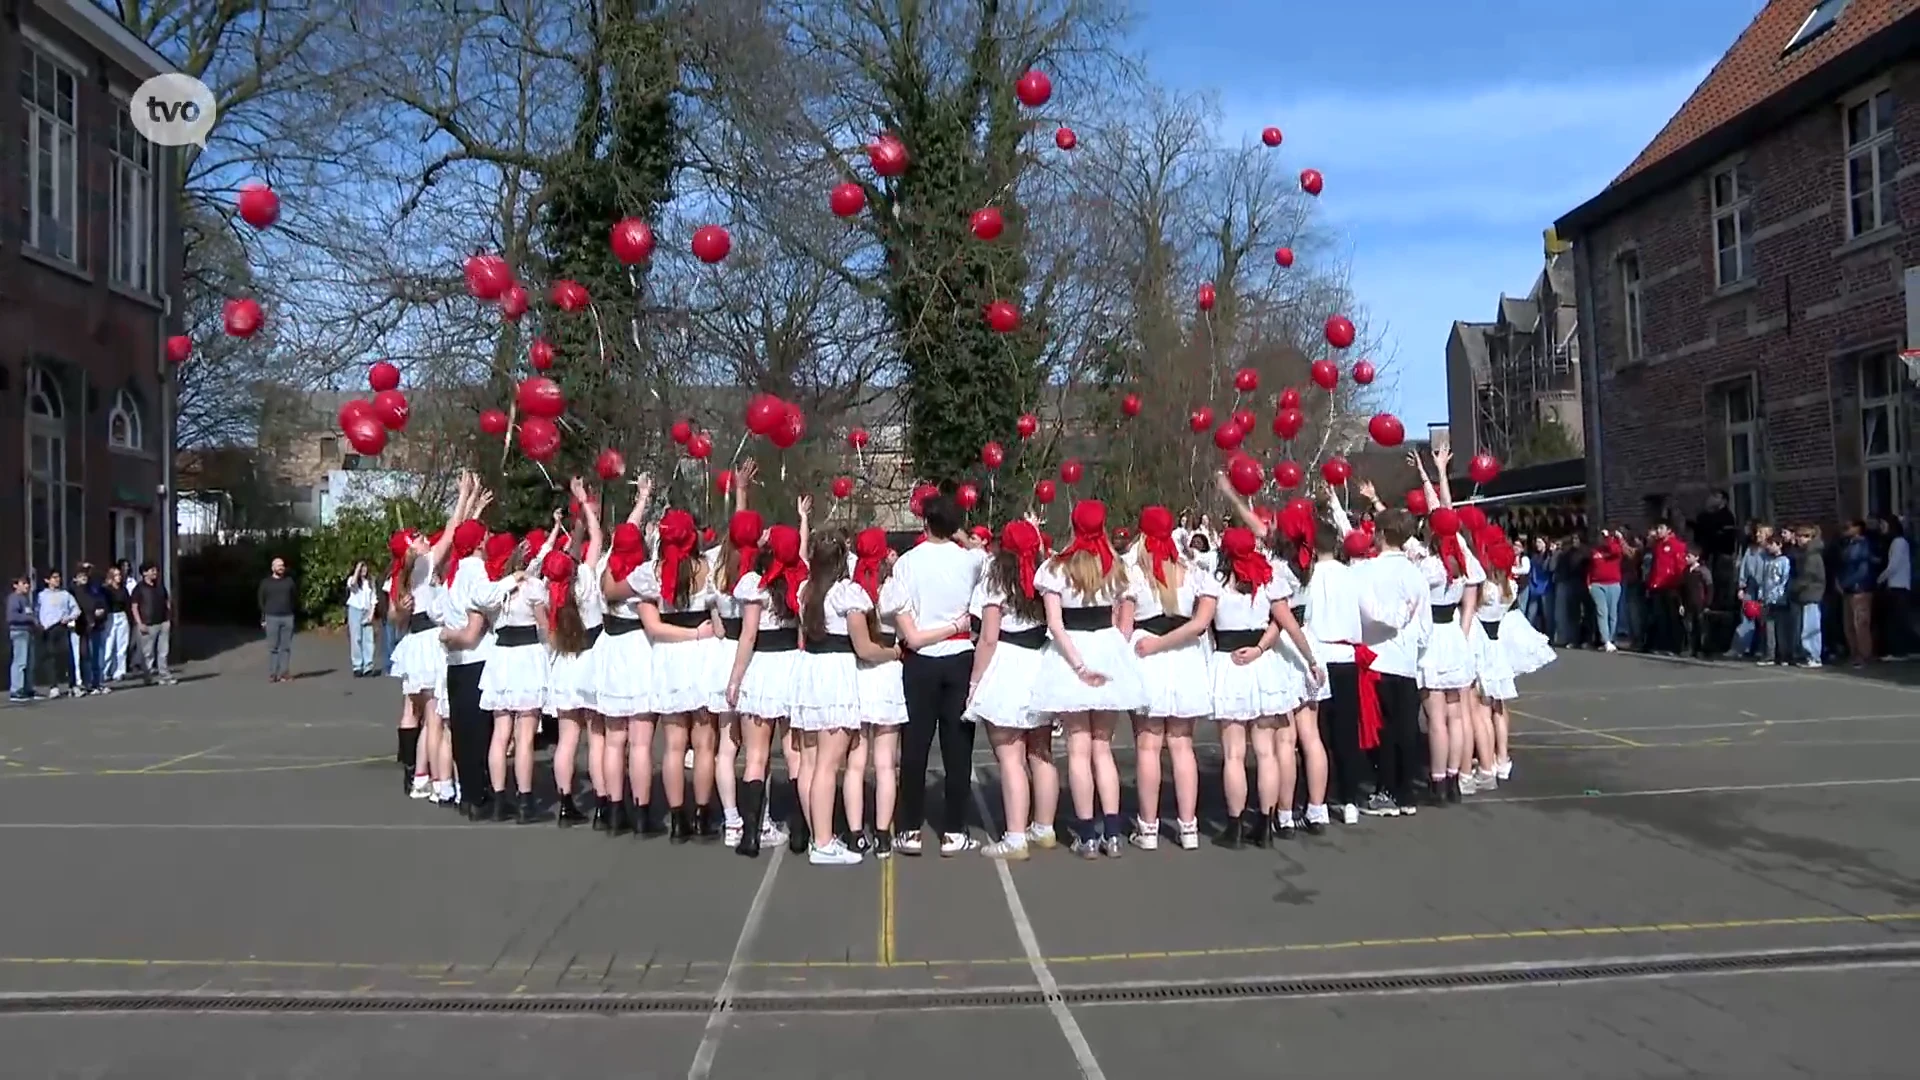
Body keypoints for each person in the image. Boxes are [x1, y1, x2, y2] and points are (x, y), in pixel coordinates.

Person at [882, 491, 989, 857]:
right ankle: (954, 830)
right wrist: (958, 533)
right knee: (957, 747)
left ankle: (910, 827)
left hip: (920, 657)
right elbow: (980, 549)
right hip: (958, 655)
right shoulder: (971, 560)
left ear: (924, 522)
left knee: (915, 745)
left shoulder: (907, 563)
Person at [966, 518, 1056, 859]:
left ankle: (1016, 836)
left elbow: (988, 637)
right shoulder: (1045, 573)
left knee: (1010, 757)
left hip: (1008, 664)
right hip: (1041, 663)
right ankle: (1044, 827)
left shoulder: (996, 580)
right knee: (1040, 750)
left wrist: (975, 682)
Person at [35, 569, 80, 697]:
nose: (57, 580)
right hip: (48, 629)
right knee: (50, 658)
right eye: (54, 577)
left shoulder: (65, 594)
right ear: (47, 580)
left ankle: (73, 685)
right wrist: (39, 624)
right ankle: (53, 686)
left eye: (58, 577)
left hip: (61, 627)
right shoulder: (41, 596)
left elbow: (76, 610)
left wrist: (69, 618)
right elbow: (36, 610)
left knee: (67, 657)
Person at [129, 563, 174, 685]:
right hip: (147, 624)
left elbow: (167, 601)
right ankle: (148, 676)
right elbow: (134, 607)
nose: (155, 572)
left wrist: (168, 618)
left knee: (163, 651)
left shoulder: (160, 586)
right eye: (152, 570)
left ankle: (164, 674)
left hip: (163, 622)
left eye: (156, 570)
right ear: (144, 573)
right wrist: (139, 623)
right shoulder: (139, 589)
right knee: (147, 653)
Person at [259, 557, 298, 682]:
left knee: (285, 647)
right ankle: (273, 673)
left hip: (287, 617)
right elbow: (261, 600)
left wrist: (291, 611)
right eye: (278, 565)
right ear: (273, 568)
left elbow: (294, 598)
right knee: (273, 647)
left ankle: (284, 673)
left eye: (282, 565)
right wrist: (264, 617)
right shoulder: (266, 583)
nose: (281, 567)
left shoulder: (289, 581)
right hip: (271, 617)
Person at [345, 560, 378, 676]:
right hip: (355, 610)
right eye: (361, 568)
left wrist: (371, 614)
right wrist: (357, 569)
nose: (364, 570)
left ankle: (368, 665)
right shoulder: (352, 580)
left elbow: (374, 598)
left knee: (368, 639)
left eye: (365, 568)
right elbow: (353, 584)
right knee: (356, 638)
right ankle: (357, 665)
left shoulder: (370, 582)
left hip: (366, 610)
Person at [101, 565, 130, 685]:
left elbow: (127, 601)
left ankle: (119, 671)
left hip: (122, 615)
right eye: (116, 575)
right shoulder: (106, 590)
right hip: (110, 616)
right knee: (109, 645)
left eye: (119, 575)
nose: (119, 577)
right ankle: (104, 672)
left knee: (122, 646)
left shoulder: (123, 589)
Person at [7, 575, 35, 702]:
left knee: (29, 662)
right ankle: (16, 689)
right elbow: (11, 616)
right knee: (20, 661)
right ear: (15, 585)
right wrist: (29, 618)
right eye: (23, 583)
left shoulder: (25, 599)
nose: (27, 586)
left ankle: (27, 688)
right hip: (18, 632)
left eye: (28, 583)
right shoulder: (14, 599)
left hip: (27, 632)